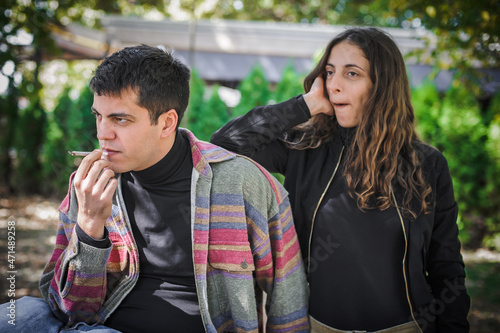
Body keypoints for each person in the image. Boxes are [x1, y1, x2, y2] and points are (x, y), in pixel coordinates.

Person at [1, 45, 309, 332]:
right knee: (20, 315)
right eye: (99, 116)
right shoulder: (89, 186)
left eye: (120, 119)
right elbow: (67, 311)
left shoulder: (240, 183)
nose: (102, 134)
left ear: (166, 123)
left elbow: (288, 293)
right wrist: (89, 228)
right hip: (97, 328)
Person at [211, 27, 470, 333]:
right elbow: (224, 144)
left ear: (382, 85)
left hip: (407, 327)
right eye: (330, 72)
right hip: (318, 326)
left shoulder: (426, 164)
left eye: (352, 74)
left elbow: (446, 266)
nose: (333, 84)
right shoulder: (304, 148)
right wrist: (304, 106)